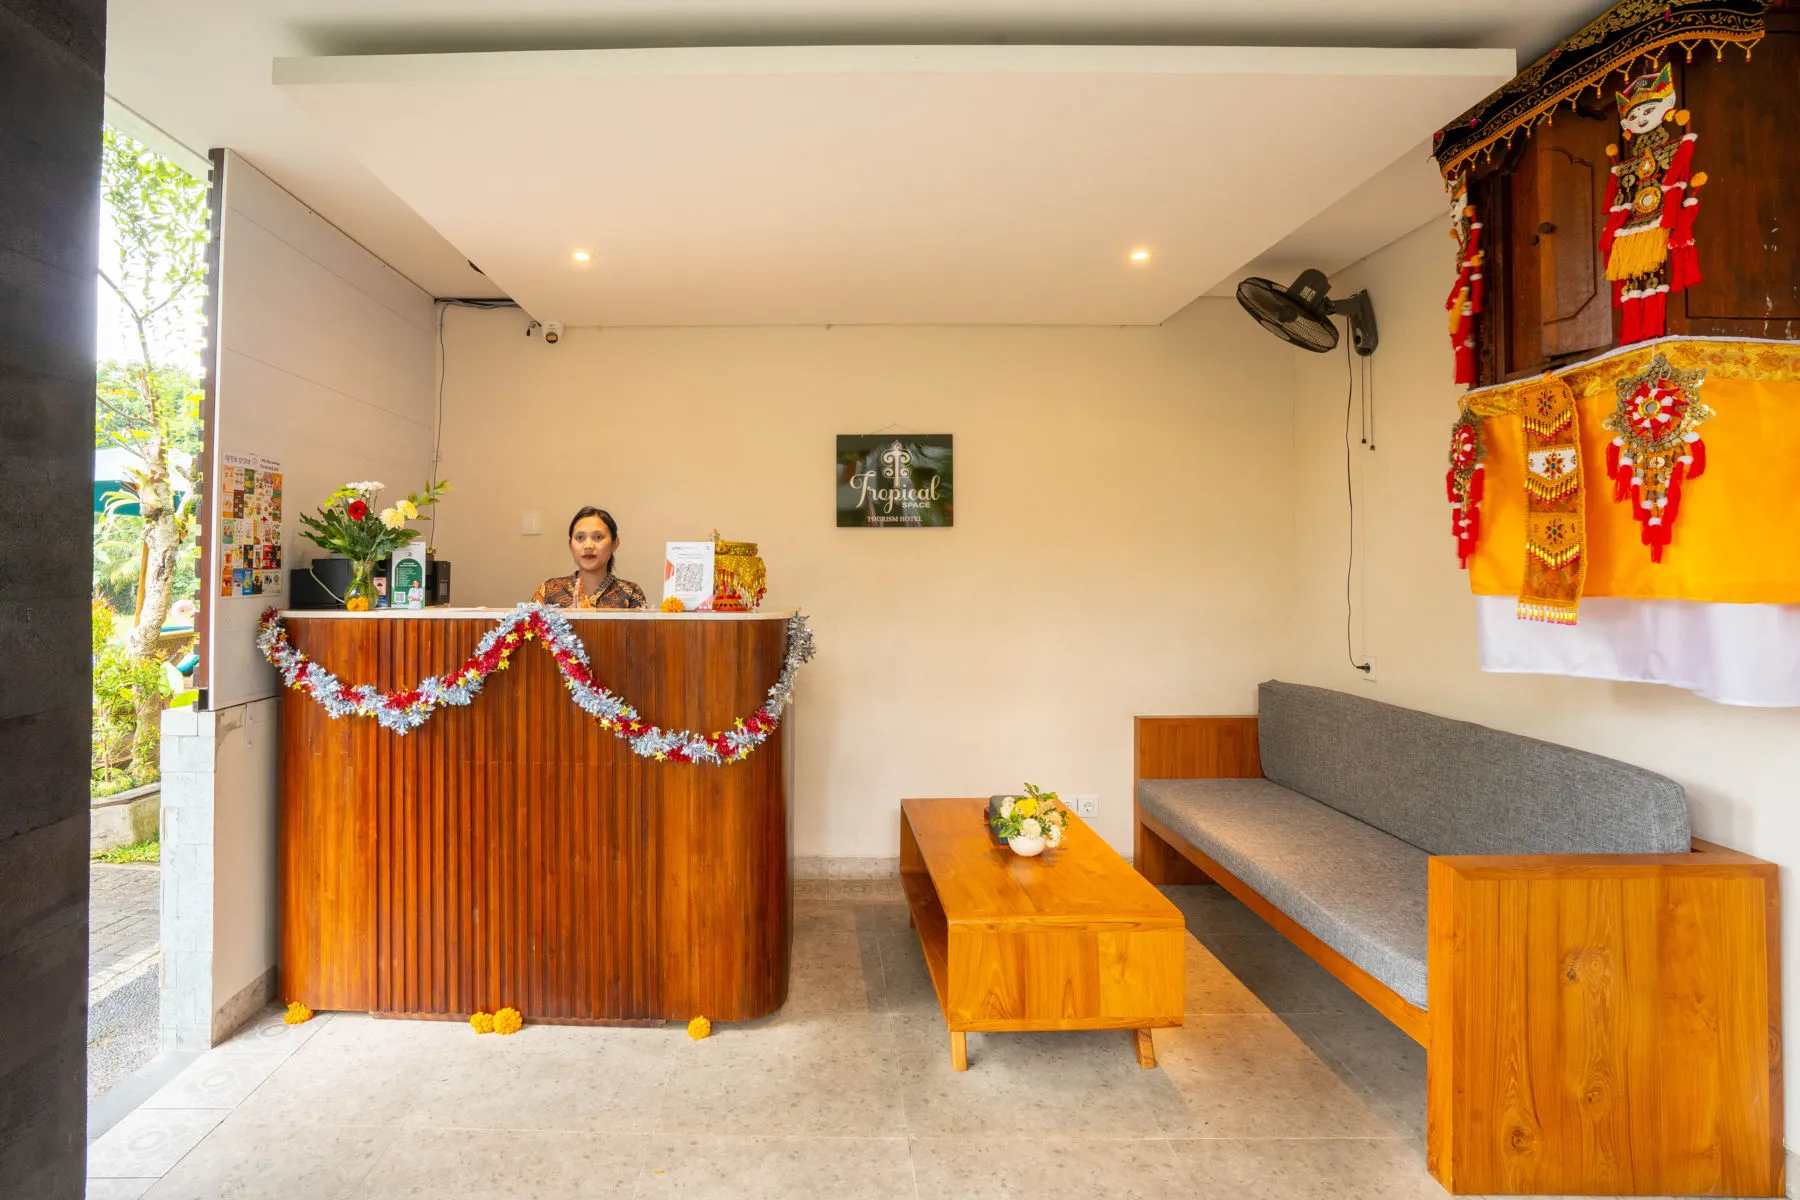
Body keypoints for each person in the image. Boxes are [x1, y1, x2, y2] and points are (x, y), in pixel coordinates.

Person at [531, 507, 647, 609]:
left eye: (598, 537)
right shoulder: (548, 590)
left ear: (614, 544)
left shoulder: (631, 593)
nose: (588, 546)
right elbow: (527, 626)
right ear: (570, 545)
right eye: (580, 537)